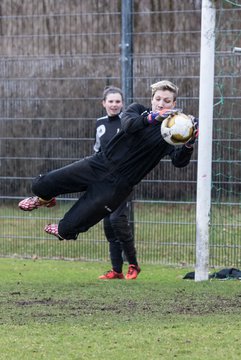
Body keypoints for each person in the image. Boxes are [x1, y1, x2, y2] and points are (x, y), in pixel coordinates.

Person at [18, 79, 198, 267]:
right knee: (39, 185)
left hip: (118, 185)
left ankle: (66, 229)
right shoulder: (137, 110)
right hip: (99, 164)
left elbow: (179, 162)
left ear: (174, 104)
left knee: (67, 228)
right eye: (158, 99)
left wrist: (188, 143)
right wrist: (152, 118)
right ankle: (45, 199)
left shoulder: (171, 132)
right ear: (152, 99)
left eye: (167, 101)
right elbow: (129, 125)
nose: (161, 104)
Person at [93, 86, 140, 280]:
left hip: (124, 180)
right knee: (108, 225)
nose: (114, 105)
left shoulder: (128, 122)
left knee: (117, 221)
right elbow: (97, 150)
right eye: (110, 101)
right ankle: (116, 270)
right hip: (105, 181)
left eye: (118, 101)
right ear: (104, 103)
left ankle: (134, 265)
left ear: (123, 104)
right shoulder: (99, 124)